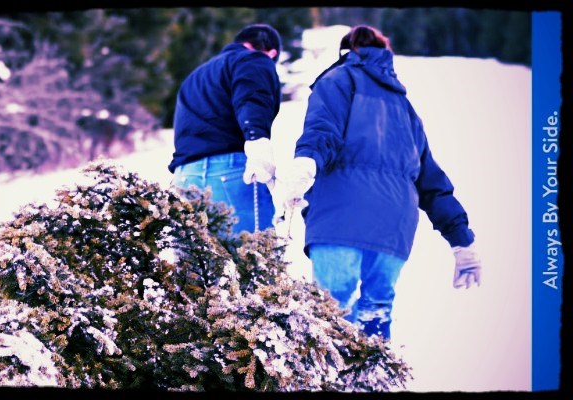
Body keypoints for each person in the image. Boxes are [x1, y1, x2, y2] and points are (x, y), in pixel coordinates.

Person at [275, 25, 483, 341]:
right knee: (376, 312)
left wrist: (306, 161)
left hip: (340, 215)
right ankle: (371, 368)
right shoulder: (405, 108)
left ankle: (329, 369)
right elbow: (432, 181)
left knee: (329, 312)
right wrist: (461, 241)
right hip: (394, 225)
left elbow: (323, 131)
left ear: (348, 51)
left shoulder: (337, 80)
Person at [168, 23, 283, 234]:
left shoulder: (196, 76)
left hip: (185, 176)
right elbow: (252, 98)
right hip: (230, 172)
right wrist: (257, 140)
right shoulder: (255, 60)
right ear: (272, 53)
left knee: (197, 255)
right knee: (254, 252)